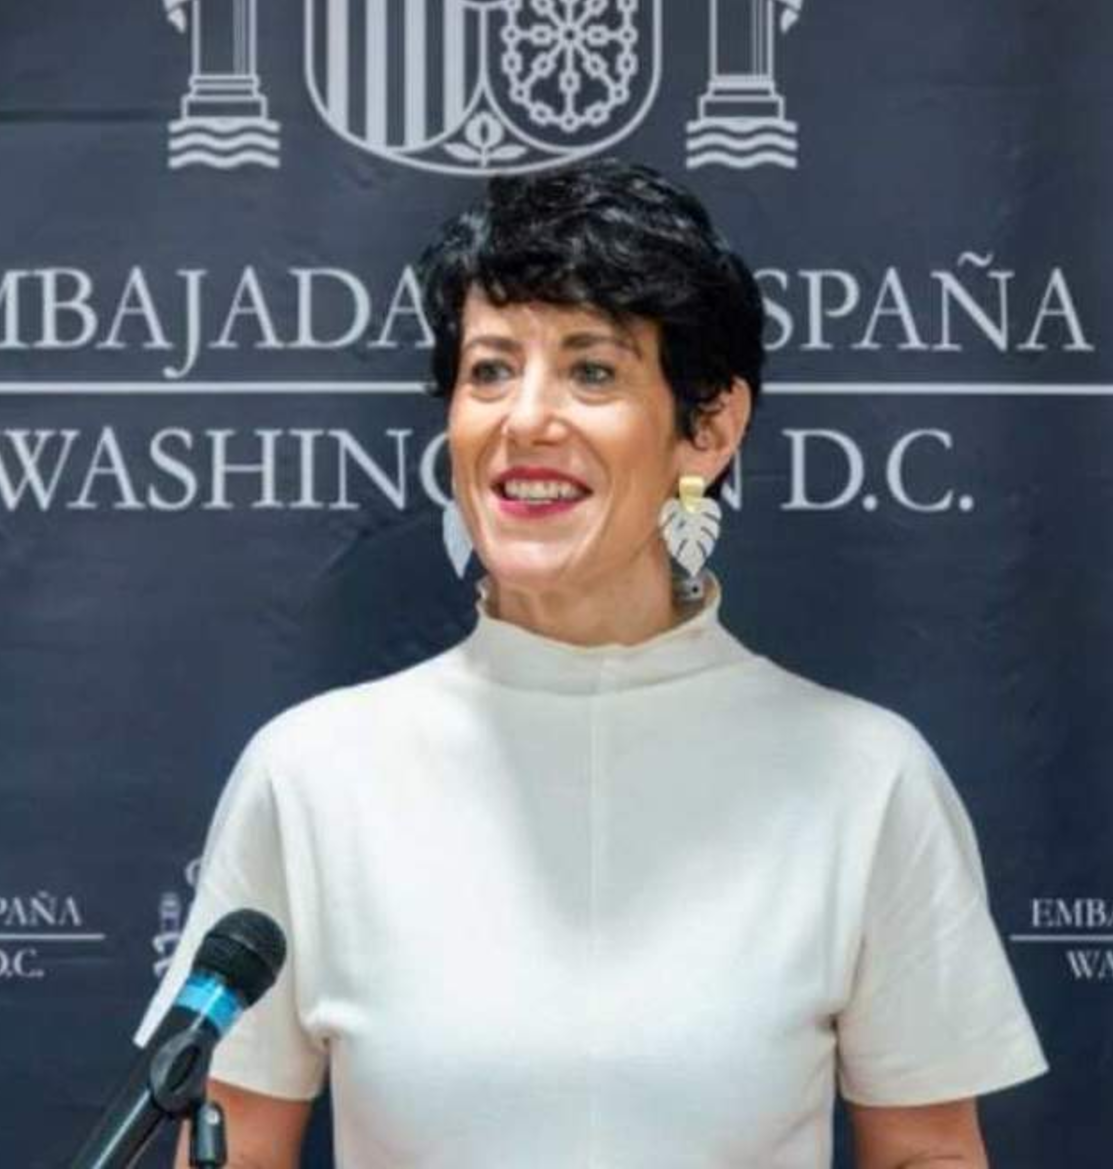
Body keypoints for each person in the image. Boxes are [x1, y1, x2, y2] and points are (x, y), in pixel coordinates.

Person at [136, 161, 1046, 1168]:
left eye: (593, 371)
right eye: (490, 370)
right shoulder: (311, 773)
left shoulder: (867, 778)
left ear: (708, 427)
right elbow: (234, 1147)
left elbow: (926, 1152)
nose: (525, 419)